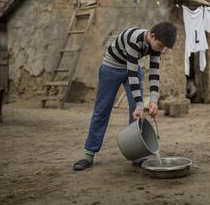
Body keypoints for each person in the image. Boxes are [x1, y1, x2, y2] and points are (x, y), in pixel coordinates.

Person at [73, 22, 177, 171]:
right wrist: (141, 104)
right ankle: (89, 154)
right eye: (160, 45)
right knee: (102, 110)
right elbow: (132, 74)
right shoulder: (134, 38)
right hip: (111, 69)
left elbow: (155, 73)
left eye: (163, 47)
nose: (160, 49)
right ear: (152, 35)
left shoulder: (156, 44)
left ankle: (136, 154)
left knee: (136, 111)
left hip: (132, 69)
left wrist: (153, 100)